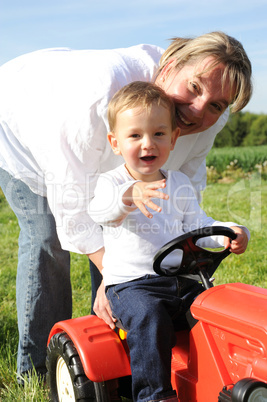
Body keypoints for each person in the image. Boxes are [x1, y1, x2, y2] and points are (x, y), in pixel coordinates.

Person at [0, 31, 252, 382]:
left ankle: (111, 351)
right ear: (169, 66)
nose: (198, 109)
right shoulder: (95, 96)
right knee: (47, 237)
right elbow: (72, 206)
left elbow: (184, 193)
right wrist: (118, 278)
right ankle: (37, 368)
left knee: (122, 228)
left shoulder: (211, 116)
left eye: (216, 104)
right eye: (194, 87)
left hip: (108, 156)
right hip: (23, 124)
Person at [89, 81, 250, 402]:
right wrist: (129, 196)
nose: (148, 143)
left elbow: (199, 224)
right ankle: (155, 395)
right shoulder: (112, 183)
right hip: (131, 287)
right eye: (135, 135)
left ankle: (224, 381)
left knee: (215, 308)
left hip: (180, 280)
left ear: (173, 139)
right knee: (149, 316)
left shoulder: (178, 183)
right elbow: (99, 212)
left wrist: (230, 231)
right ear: (116, 143)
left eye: (159, 134)